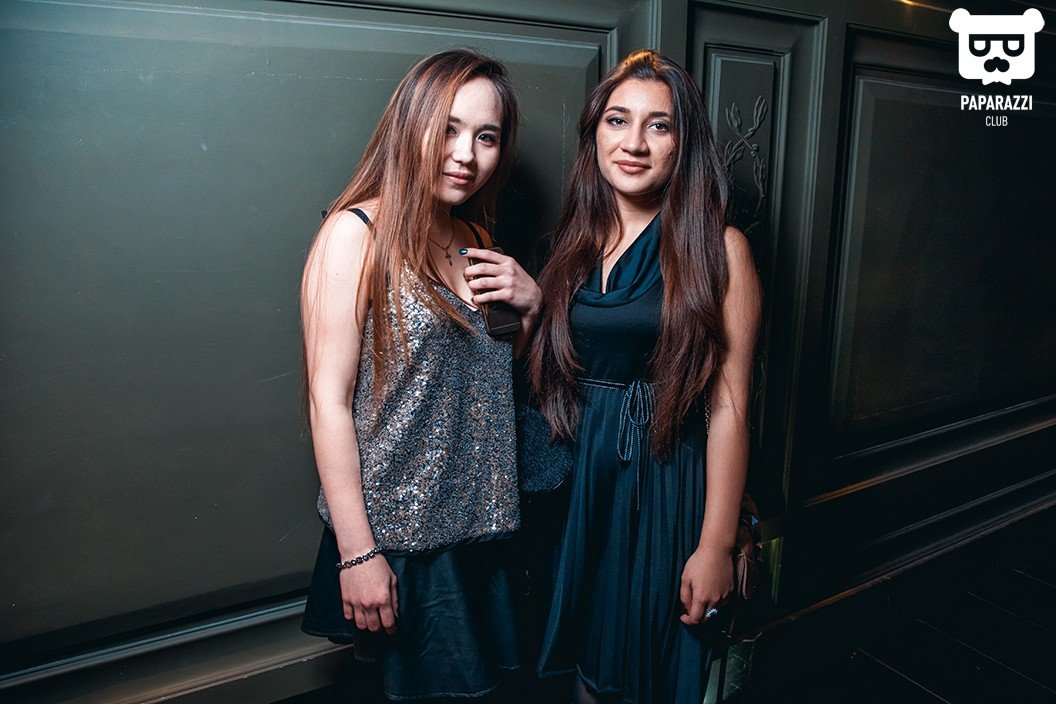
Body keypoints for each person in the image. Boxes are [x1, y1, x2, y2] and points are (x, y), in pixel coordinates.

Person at [299, 49, 541, 702]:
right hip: (401, 539)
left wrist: (531, 307)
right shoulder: (356, 234)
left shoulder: (476, 237)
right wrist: (358, 553)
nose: (466, 154)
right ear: (411, 125)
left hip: (483, 528)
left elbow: (486, 381)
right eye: (449, 129)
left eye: (486, 136)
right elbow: (326, 401)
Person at [528, 49, 762, 703]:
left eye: (658, 125)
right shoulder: (565, 247)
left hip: (662, 483)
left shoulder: (720, 250)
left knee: (650, 670)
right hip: (575, 485)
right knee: (582, 668)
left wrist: (715, 544)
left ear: (684, 144)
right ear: (594, 133)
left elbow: (731, 409)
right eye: (617, 120)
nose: (633, 143)